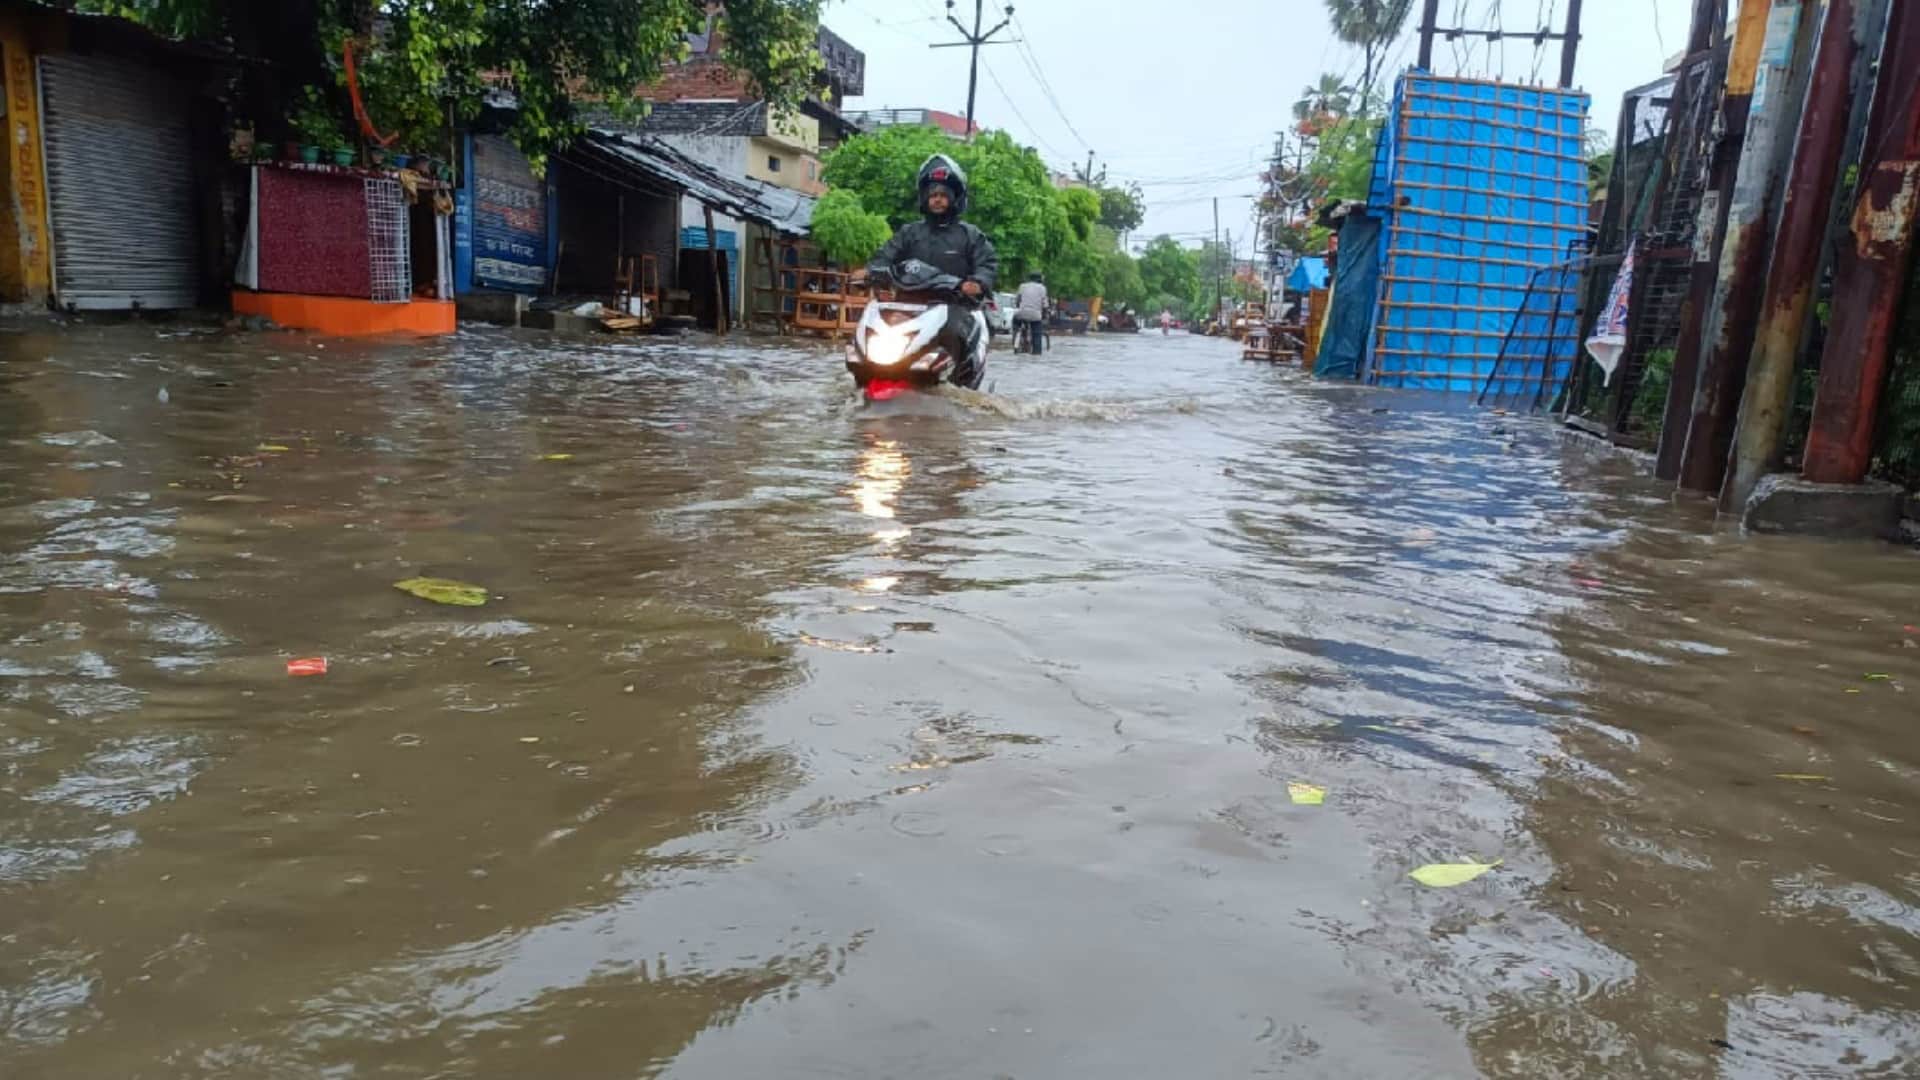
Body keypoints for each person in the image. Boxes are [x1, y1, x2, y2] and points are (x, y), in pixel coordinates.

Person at [862, 154, 998, 388]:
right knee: (865, 338)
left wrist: (977, 282)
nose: (937, 200)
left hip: (954, 307)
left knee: (958, 334)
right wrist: (869, 272)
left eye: (943, 195)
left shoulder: (970, 235)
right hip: (908, 309)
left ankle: (960, 388)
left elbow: (987, 264)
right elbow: (884, 256)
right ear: (925, 198)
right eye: (933, 195)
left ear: (955, 198)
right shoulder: (909, 233)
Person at [1013, 271, 1048, 356]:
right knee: (1037, 334)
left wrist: (1018, 305)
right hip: (1035, 315)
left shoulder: (1022, 286)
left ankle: (1015, 337)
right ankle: (1036, 353)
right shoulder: (1042, 288)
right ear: (1040, 279)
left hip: (1021, 313)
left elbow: (1017, 300)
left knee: (1015, 322)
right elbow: (1045, 304)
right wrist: (1044, 315)